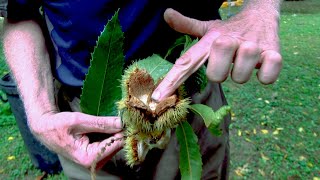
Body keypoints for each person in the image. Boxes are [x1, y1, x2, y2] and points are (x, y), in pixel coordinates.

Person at [0, 0, 282, 179]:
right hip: (84, 124)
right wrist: (40, 111)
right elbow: (18, 13)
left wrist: (262, 9)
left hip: (188, 105)